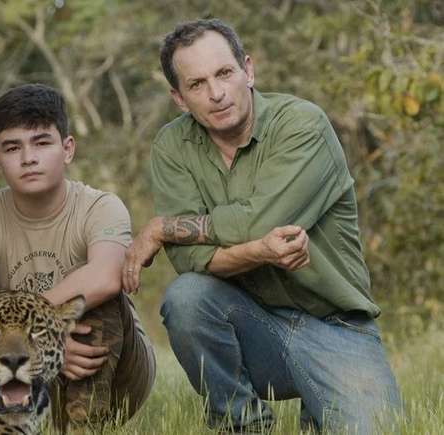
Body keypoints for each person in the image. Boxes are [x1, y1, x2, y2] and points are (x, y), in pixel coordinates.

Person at [123, 19, 401, 434]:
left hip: (336, 327)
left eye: (224, 73)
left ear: (248, 71)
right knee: (187, 298)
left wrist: (165, 226)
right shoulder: (172, 146)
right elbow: (192, 260)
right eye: (197, 84)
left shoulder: (302, 124)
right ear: (179, 99)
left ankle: (320, 404)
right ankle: (241, 424)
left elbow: (263, 221)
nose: (216, 94)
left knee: (376, 429)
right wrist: (258, 251)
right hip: (249, 324)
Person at [0, 84, 156, 430]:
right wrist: (31, 344)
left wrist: (35, 338)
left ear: (67, 148)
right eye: (12, 147)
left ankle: (83, 427)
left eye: (41, 142)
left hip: (115, 373)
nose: (28, 158)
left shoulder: (100, 206)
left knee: (97, 300)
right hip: (17, 367)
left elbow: (105, 276)